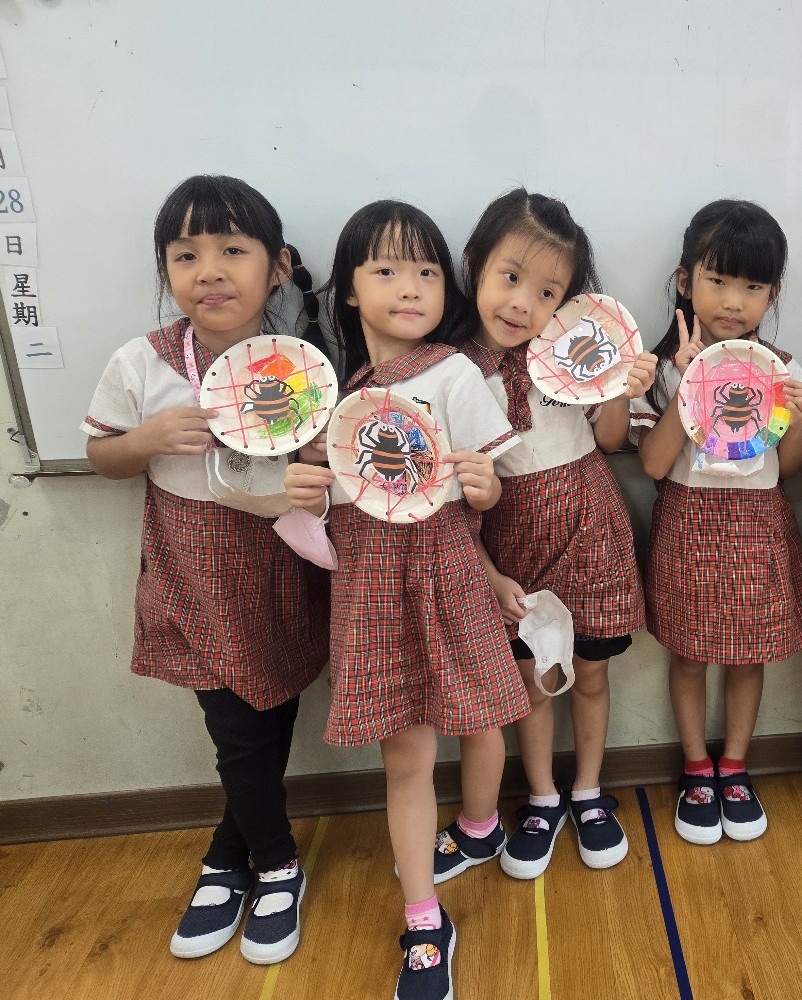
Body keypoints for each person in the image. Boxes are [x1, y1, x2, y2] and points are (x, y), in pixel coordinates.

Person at [284, 200, 529, 1000]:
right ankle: (423, 920)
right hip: (369, 585)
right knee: (406, 754)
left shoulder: (453, 372)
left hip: (449, 570)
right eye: (386, 269)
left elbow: (485, 492)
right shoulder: (334, 391)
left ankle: (481, 827)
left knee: (483, 715)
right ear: (348, 289)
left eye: (426, 270)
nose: (411, 286)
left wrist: (484, 486)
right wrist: (307, 485)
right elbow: (326, 501)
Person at [83, 175, 328, 964]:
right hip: (191, 571)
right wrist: (148, 439)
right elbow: (101, 455)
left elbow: (330, 469)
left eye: (232, 250)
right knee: (237, 731)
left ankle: (227, 856)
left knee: (271, 711)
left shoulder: (303, 365)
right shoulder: (142, 361)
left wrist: (317, 456)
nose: (209, 271)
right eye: (185, 255)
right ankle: (278, 864)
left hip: (280, 564)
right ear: (165, 269)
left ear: (277, 266)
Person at [449, 189, 655, 879]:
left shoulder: (572, 354)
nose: (522, 304)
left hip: (591, 525)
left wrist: (620, 388)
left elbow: (612, 439)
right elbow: (454, 498)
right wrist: (488, 573)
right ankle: (541, 799)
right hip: (511, 539)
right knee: (532, 676)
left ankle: (589, 792)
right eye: (510, 277)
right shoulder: (450, 372)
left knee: (590, 671)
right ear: (475, 263)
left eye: (547, 292)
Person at [631, 199, 802, 846]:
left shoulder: (780, 369)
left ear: (773, 294)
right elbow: (653, 465)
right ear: (686, 282)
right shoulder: (664, 369)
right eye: (717, 280)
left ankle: (734, 767)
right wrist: (686, 386)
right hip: (688, 523)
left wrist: (798, 420)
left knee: (748, 658)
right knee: (687, 657)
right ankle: (695, 768)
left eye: (752, 286)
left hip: (758, 525)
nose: (733, 300)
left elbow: (789, 469)